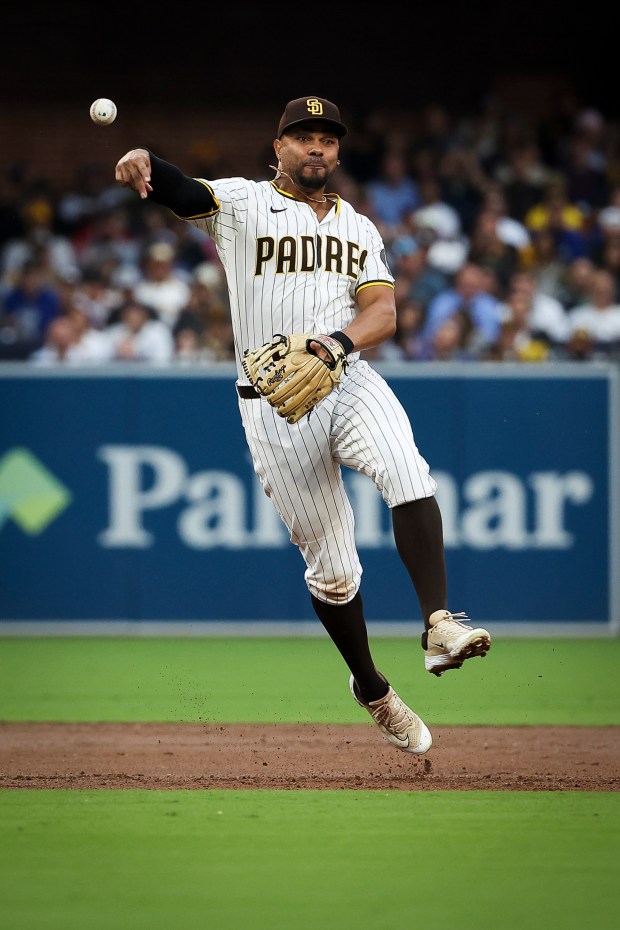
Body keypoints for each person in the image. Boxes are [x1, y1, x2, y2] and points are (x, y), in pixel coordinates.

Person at [115, 95, 491, 756]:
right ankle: (372, 687)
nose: (316, 147)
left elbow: (383, 315)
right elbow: (183, 191)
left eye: (327, 138)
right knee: (333, 572)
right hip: (272, 405)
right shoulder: (242, 204)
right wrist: (150, 165)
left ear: (338, 152)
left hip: (344, 377)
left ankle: (438, 622)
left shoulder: (360, 229)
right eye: (303, 136)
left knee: (406, 468)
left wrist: (335, 345)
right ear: (279, 146)